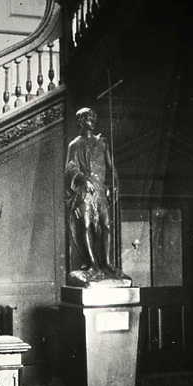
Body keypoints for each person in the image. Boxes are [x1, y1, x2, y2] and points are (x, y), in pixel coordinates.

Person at [65, 107, 119, 280]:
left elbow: (111, 167)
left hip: (101, 190)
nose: (92, 120)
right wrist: (83, 180)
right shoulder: (75, 144)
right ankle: (92, 264)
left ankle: (107, 263)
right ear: (81, 121)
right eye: (89, 118)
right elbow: (70, 167)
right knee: (86, 226)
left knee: (107, 226)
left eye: (94, 117)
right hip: (86, 191)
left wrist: (114, 184)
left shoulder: (102, 142)